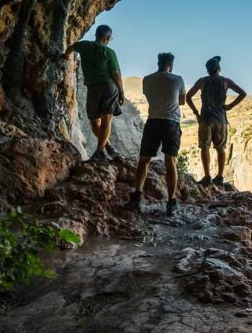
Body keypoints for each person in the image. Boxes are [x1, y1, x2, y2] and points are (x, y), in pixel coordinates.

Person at [125, 53, 185, 216]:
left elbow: (150, 97)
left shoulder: (147, 79)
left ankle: (137, 197)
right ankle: (171, 202)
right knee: (170, 161)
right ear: (171, 65)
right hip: (171, 123)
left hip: (153, 122)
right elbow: (182, 101)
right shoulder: (178, 79)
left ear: (158, 63)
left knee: (144, 160)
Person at [62, 24, 126, 162]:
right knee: (106, 119)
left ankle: (103, 150)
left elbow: (71, 47)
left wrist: (65, 56)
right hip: (109, 87)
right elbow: (116, 73)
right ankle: (103, 149)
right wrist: (121, 92)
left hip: (93, 88)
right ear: (108, 38)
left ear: (96, 34)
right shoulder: (109, 52)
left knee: (94, 121)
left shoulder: (84, 45)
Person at [186, 55, 246, 186]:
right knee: (220, 148)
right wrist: (230, 106)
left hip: (205, 119)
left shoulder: (202, 81)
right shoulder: (226, 81)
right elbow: (243, 93)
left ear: (207, 69)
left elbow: (188, 97)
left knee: (204, 147)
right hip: (220, 120)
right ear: (218, 68)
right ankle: (219, 176)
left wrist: (196, 113)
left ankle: (207, 176)